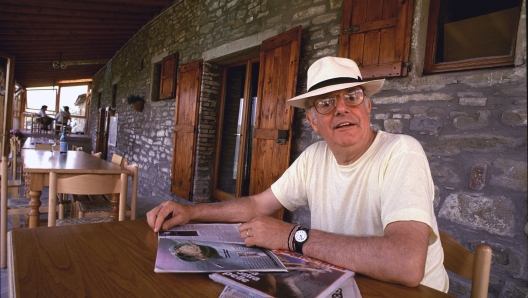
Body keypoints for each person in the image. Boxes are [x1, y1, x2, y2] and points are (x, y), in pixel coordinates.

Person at [147, 57, 448, 292]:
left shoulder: (401, 152)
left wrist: (292, 236)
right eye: (326, 103)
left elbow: (406, 264)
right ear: (313, 121)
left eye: (352, 97)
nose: (342, 109)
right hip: (346, 284)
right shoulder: (315, 158)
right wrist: (190, 212)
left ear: (367, 107)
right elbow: (256, 206)